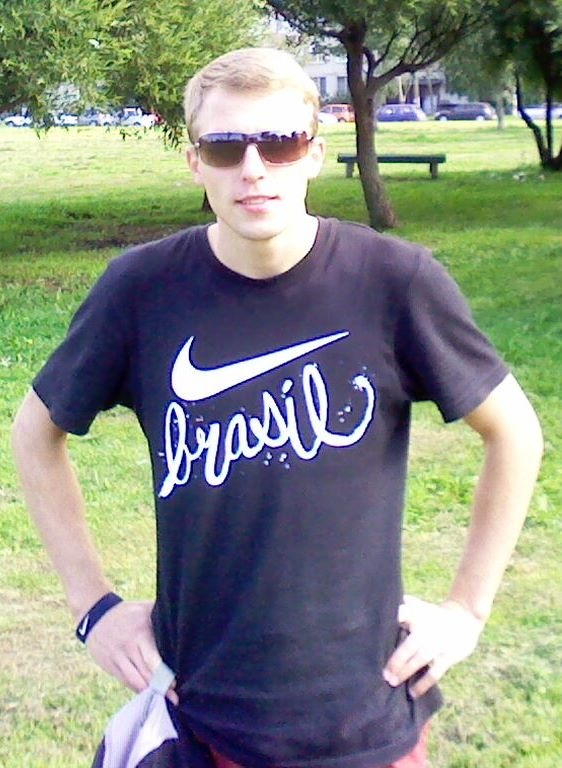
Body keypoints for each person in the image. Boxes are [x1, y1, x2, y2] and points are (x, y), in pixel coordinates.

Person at [12, 47, 543, 768]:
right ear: (195, 163)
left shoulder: (394, 282)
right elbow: (36, 432)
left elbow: (513, 430)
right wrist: (93, 607)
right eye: (225, 147)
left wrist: (466, 611)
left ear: (315, 154)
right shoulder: (141, 291)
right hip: (198, 711)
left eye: (281, 143)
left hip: (363, 716)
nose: (254, 168)